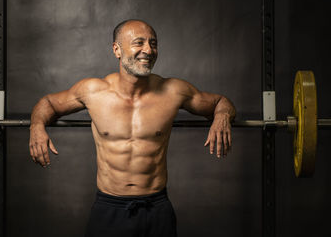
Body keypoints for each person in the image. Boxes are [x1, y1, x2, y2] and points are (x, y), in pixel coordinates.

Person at [29, 19, 236, 237]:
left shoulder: (174, 90)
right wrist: (36, 126)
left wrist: (221, 116)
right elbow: (48, 104)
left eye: (153, 43)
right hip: (109, 208)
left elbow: (221, 101)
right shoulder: (93, 91)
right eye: (139, 43)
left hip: (156, 208)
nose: (148, 50)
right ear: (117, 49)